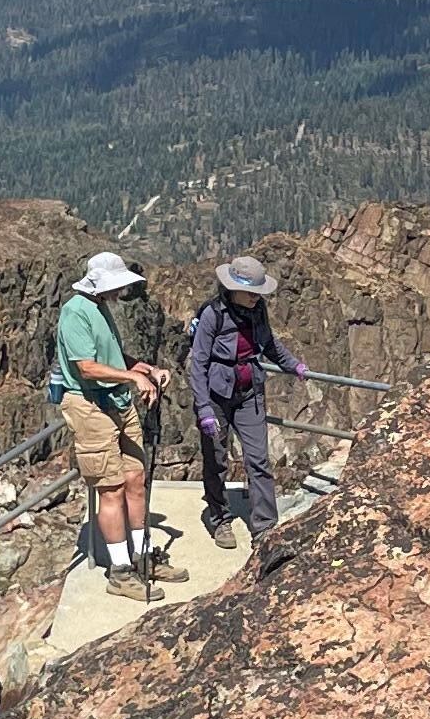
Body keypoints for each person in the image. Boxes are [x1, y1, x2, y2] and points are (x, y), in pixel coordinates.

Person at [48, 247, 173, 594]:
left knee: (135, 478)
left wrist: (144, 368)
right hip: (90, 407)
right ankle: (119, 570)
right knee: (111, 488)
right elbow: (85, 366)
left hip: (116, 402)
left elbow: (112, 356)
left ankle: (143, 556)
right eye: (116, 286)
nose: (121, 292)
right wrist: (133, 379)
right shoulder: (76, 312)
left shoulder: (100, 308)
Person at [186, 254, 311, 568]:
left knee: (258, 459)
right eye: (251, 291)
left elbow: (269, 344)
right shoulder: (213, 315)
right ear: (232, 289)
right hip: (216, 396)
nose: (257, 296)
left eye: (260, 291)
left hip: (248, 393)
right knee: (216, 459)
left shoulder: (258, 311)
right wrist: (204, 409)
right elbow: (198, 363)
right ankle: (219, 518)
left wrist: (292, 364)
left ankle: (265, 527)